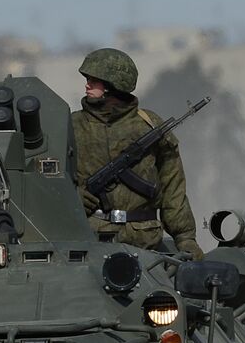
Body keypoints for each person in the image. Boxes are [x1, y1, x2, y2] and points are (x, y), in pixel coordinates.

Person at [70, 48, 202, 259]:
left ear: (112, 85)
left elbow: (172, 186)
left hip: (145, 242)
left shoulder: (149, 125)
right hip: (90, 241)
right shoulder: (72, 126)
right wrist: (72, 198)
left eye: (94, 80)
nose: (87, 84)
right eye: (88, 79)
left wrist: (185, 238)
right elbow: (48, 179)